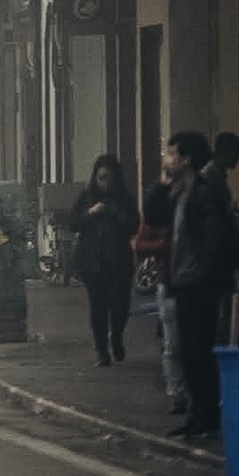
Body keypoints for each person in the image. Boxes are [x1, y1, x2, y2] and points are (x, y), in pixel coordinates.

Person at [166, 131, 239, 439]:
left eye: (172, 154)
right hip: (184, 282)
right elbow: (155, 212)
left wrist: (202, 276)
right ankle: (198, 415)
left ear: (187, 159)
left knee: (200, 352)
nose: (166, 159)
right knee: (187, 352)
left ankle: (206, 417)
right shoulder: (181, 191)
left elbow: (213, 241)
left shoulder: (204, 193)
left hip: (197, 285)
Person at [69, 154, 136, 367]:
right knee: (98, 308)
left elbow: (133, 225)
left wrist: (115, 213)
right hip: (93, 263)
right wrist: (91, 213)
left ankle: (116, 336)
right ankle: (101, 351)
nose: (104, 183)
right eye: (101, 178)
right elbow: (73, 223)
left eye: (108, 178)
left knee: (120, 306)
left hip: (119, 262)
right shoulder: (87, 197)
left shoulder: (125, 199)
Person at [138, 152, 188, 416]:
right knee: (174, 344)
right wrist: (164, 246)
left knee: (190, 342)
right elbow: (140, 242)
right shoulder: (160, 204)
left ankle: (190, 394)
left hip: (191, 283)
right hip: (168, 281)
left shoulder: (194, 201)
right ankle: (176, 394)